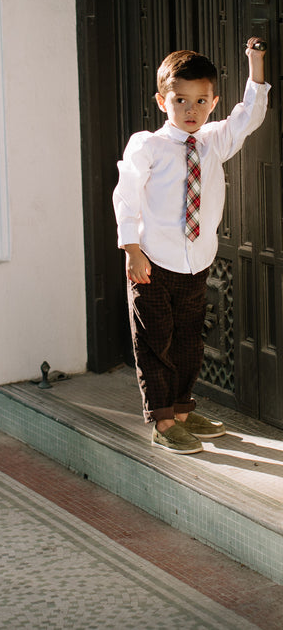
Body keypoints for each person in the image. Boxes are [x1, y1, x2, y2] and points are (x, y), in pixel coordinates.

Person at [112, 39, 269, 454]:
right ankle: (163, 421)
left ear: (213, 102)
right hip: (152, 263)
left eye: (201, 101)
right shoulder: (148, 145)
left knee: (188, 342)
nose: (191, 110)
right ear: (162, 100)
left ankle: (183, 411)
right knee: (155, 342)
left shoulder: (212, 141)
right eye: (180, 100)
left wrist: (255, 64)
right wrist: (131, 249)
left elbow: (249, 116)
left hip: (196, 263)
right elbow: (125, 194)